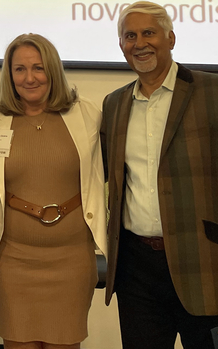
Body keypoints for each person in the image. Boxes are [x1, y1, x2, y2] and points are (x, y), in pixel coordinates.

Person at [101, 2, 218, 348]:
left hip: (204, 263)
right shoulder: (114, 104)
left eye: (148, 33)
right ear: (121, 45)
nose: (140, 43)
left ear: (171, 38)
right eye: (130, 36)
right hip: (137, 270)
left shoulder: (211, 92)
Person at [0, 33, 107, 349]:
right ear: (9, 74)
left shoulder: (88, 115)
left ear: (53, 70)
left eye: (38, 68)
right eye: (19, 69)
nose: (29, 78)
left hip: (72, 262)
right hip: (12, 262)